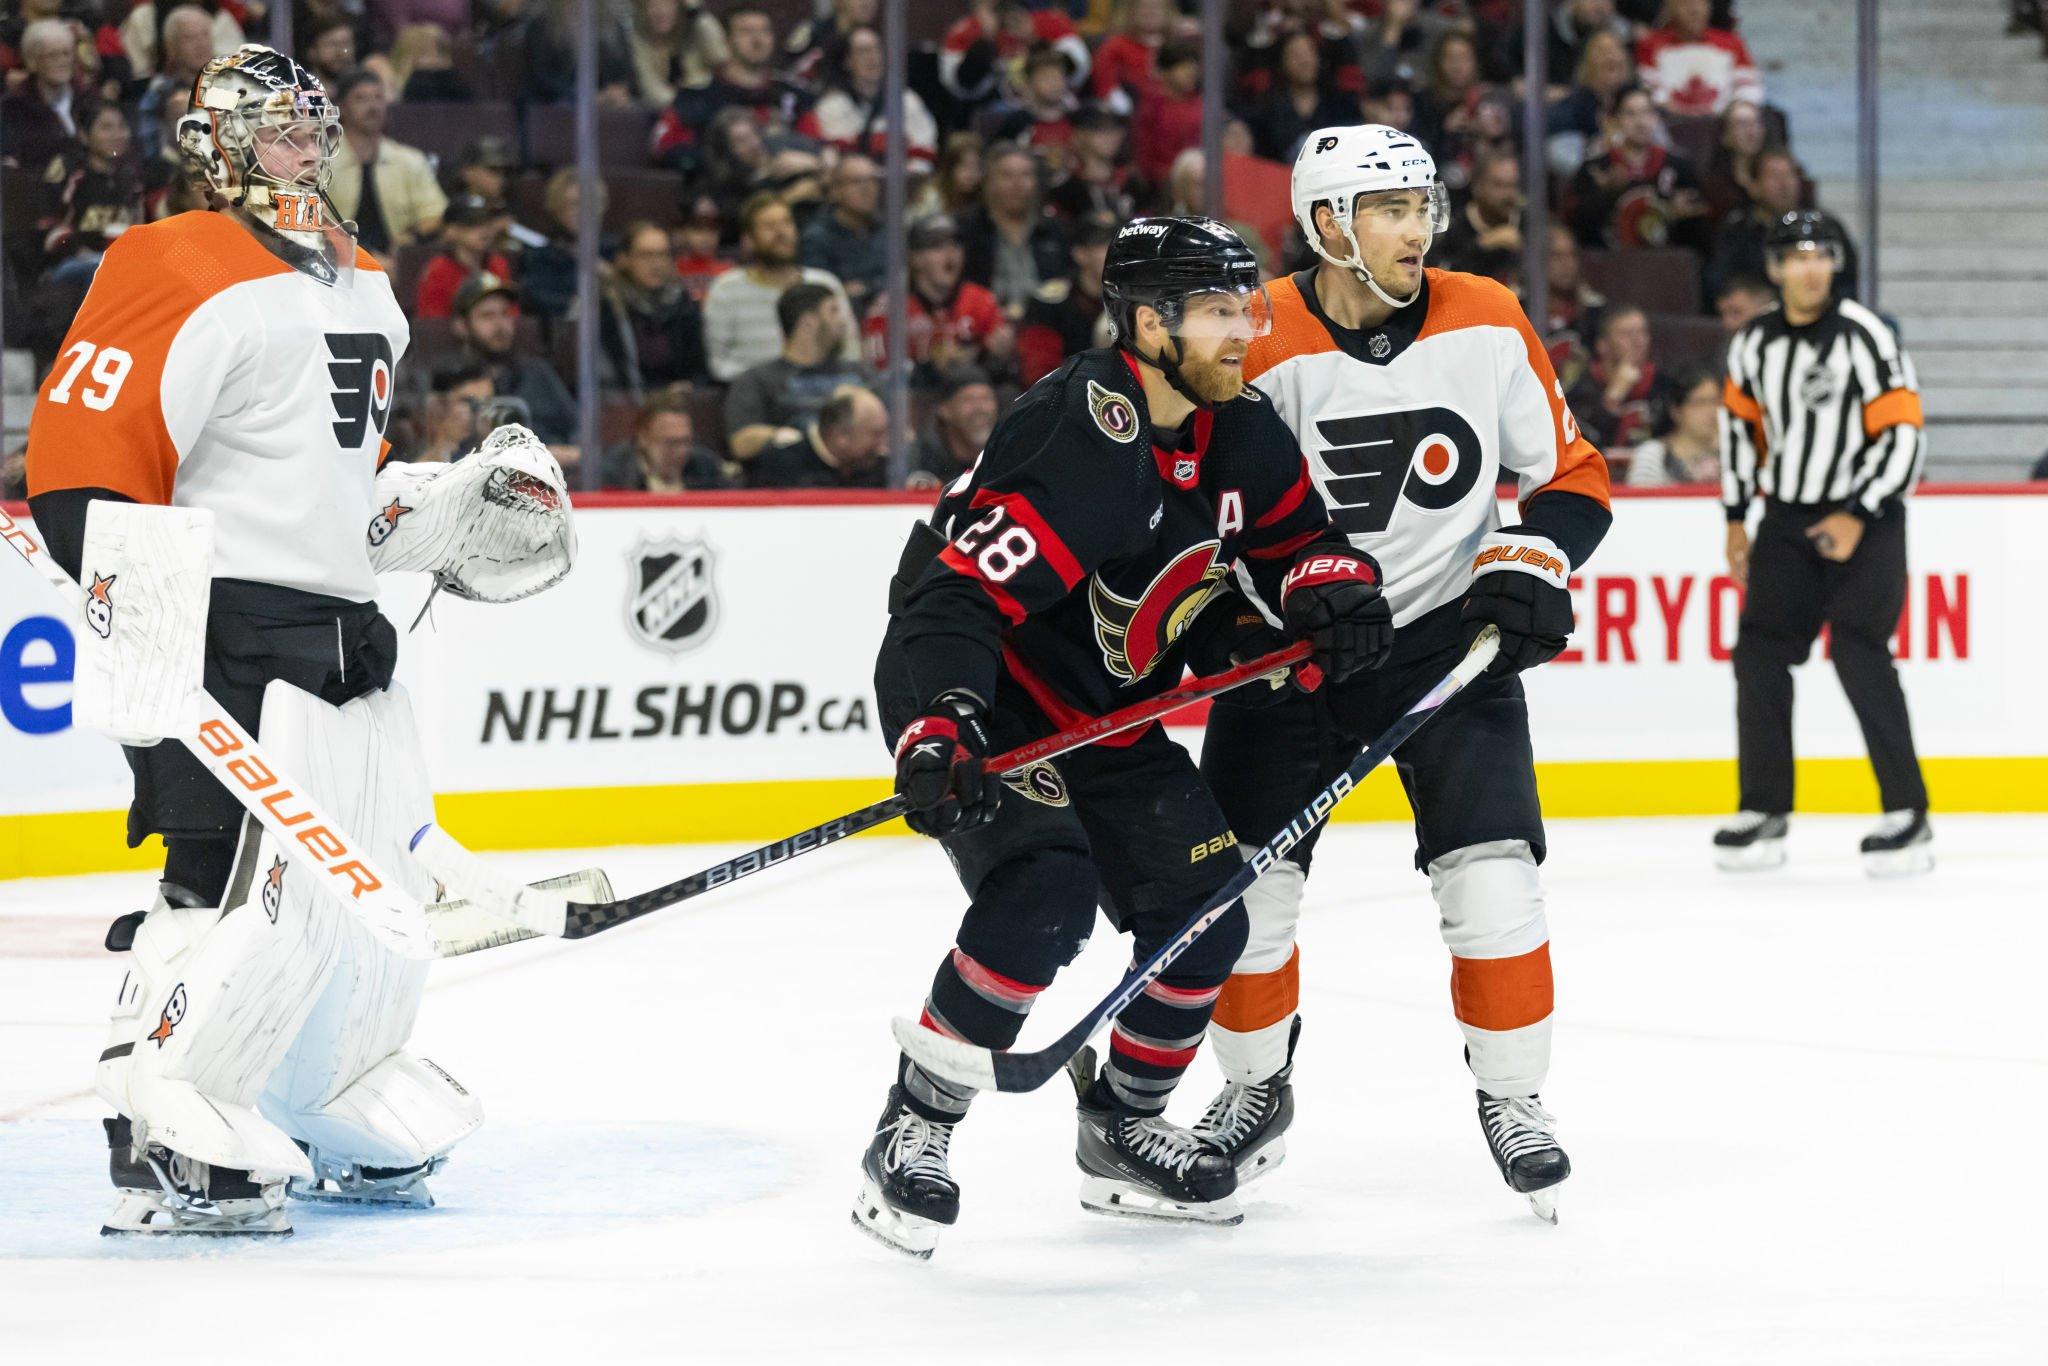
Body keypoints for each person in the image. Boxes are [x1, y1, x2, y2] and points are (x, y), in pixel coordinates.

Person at [22, 43, 571, 1239]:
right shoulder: (166, 258)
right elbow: (77, 469)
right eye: (276, 129)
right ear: (218, 147)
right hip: (220, 623)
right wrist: (153, 640)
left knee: (363, 896)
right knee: (228, 888)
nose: (304, 149)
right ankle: (164, 1113)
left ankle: (329, 1088)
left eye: (312, 128)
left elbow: (342, 485)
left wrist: (439, 511)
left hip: (342, 632)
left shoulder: (361, 276)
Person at [855, 216, 1389, 1258]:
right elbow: (950, 604)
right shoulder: (1080, 439)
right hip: (993, 697)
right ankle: (914, 1126)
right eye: (1219, 311)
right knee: (1041, 896)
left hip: (1103, 708)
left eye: (1248, 306)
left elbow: (1296, 545)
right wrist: (939, 729)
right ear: (1149, 324)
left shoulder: (1237, 426)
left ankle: (1121, 1125)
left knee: (1206, 915)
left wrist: (1332, 595)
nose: (1246, 329)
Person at [1193, 125, 1613, 1222]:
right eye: (1388, 209)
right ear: (1327, 224)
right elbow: (1206, 511)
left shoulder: (1483, 313)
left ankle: (1515, 1098)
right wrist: (1246, 617)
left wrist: (1535, 553)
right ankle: (1251, 1091)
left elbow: (1568, 472)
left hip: (1441, 645)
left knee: (1494, 882)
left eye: (1422, 206)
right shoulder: (1258, 335)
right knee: (1246, 895)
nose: (1416, 228)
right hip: (1291, 657)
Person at [1716, 211, 1932, 875]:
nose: (1811, 268)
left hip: (1867, 516)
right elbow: (1739, 433)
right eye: (1797, 256)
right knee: (1758, 653)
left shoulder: (1867, 337)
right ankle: (1765, 810)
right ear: (1776, 269)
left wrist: (1859, 512)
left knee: (1860, 650)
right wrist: (1734, 518)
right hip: (1786, 517)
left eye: (1822, 255)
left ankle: (1908, 815)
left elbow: (1905, 436)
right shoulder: (1753, 343)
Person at [701, 191, 858, 382]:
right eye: (769, 226)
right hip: (756, 396)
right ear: (749, 239)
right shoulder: (726, 289)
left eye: (786, 223)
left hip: (822, 388)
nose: (781, 232)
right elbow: (719, 363)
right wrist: (767, 380)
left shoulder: (824, 283)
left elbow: (850, 350)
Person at [860, 213, 1014, 386]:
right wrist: (930, 368)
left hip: (971, 400)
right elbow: (879, 378)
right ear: (915, 258)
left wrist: (999, 356)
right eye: (937, 246)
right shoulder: (888, 309)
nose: (950, 255)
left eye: (955, 245)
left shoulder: (982, 301)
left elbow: (1002, 372)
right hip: (913, 403)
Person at [723, 281, 867, 460]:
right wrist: (786, 436)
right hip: (793, 477)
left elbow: (898, 431)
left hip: (859, 476)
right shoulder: (757, 380)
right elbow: (740, 442)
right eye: (833, 311)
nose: (843, 321)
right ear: (808, 322)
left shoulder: (860, 372)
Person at [1565, 85, 1710, 251]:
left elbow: (1700, 234)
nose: (1641, 122)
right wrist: (1605, 194)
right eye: (1630, 114)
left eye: (1647, 113)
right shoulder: (1597, 167)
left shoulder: (1679, 166)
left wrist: (1683, 216)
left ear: (1656, 118)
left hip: (1665, 267)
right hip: (1612, 267)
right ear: (1616, 120)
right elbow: (1577, 229)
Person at [1706, 149, 1859, 302]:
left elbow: (1847, 282)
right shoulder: (1737, 230)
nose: (1784, 183)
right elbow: (1719, 283)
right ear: (1754, 186)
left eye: (1790, 175)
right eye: (1774, 176)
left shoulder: (1825, 227)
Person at [453, 271, 580, 456]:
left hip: (550, 473)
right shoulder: (448, 380)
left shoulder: (537, 372)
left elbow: (580, 433)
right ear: (462, 325)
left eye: (505, 314)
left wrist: (558, 455)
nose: (500, 325)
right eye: (487, 316)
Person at [326, 68, 447, 257]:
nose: (373, 106)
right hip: (336, 260)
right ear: (341, 107)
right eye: (361, 99)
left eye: (378, 97)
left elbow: (436, 213)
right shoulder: (320, 161)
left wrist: (410, 240)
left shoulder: (410, 159)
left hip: (396, 262)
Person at [802, 24, 938, 175]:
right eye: (863, 51)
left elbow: (924, 159)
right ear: (847, 61)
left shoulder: (907, 102)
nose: (873, 57)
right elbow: (834, 163)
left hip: (902, 191)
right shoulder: (830, 108)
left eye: (877, 49)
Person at [956, 142, 1070, 321]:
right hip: (983, 327)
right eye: (1007, 175)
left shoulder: (1054, 232)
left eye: (1025, 175)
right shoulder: (967, 230)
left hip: (1043, 329)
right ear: (989, 182)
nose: (1017, 184)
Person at [599, 220, 708, 395]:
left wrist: (689, 384)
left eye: (662, 255)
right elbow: (607, 374)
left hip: (674, 401)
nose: (656, 264)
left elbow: (698, 367)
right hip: (625, 402)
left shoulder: (681, 301)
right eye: (646, 255)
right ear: (625, 259)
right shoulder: (608, 304)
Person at [1565, 303, 1681, 456]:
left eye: (1642, 332)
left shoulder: (1664, 385)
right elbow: (1579, 444)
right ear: (1602, 345)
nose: (1637, 341)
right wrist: (1613, 397)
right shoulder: (1583, 389)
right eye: (1626, 334)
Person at [1016, 214, 1114, 387]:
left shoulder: (1138, 301)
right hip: (1067, 398)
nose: (1115, 252)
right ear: (1080, 254)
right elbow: (1039, 375)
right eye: (1103, 244)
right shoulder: (1049, 303)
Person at [1635, 0, 1763, 118]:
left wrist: (1736, 108)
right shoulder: (1650, 46)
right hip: (1669, 122)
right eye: (1686, 4)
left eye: (1700, 3)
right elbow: (1649, 90)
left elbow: (1748, 88)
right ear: (1670, 9)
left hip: (1723, 122)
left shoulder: (1732, 43)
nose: (1695, 10)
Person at [0, 17, 95, 175]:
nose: (62, 61)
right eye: (52, 55)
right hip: (36, 190)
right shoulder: (12, 107)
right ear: (32, 61)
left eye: (67, 53)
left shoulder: (88, 98)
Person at [747, 384, 888, 489]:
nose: (882, 446)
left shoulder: (882, 467)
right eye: (875, 435)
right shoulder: (782, 466)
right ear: (841, 436)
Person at [600, 387, 730, 490]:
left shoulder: (706, 469)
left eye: (686, 441)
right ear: (643, 438)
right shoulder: (614, 475)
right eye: (671, 443)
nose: (682, 451)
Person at [799, 153, 885, 308]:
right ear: (835, 191)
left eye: (873, 181)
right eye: (857, 181)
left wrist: (865, 288)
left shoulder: (889, 231)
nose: (867, 189)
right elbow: (820, 296)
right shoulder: (817, 238)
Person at [414, 192, 512, 321]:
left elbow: (511, 314)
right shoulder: (438, 271)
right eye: (472, 224)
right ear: (450, 231)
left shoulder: (499, 264)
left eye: (487, 222)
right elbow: (433, 326)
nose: (484, 230)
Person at [1625, 365, 1720, 487]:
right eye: (1700, 403)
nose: (1712, 412)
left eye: (1716, 401)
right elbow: (1641, 504)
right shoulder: (1652, 456)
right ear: (1676, 410)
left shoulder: (1734, 452)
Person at [906, 365, 997, 488]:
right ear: (945, 410)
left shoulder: (1006, 457)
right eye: (968, 400)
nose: (980, 408)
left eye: (986, 399)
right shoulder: (920, 461)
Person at [1435, 148, 1524, 274]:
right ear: (1477, 186)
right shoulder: (1452, 229)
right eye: (1499, 185)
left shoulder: (1529, 223)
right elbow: (1442, 276)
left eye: (1512, 185)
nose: (1508, 194)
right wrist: (1483, 245)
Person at [1131, 38, 1202, 187]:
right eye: (1184, 68)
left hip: (1200, 178)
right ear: (1164, 71)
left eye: (1193, 68)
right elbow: (1145, 157)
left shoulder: (1201, 104)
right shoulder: (1151, 106)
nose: (1191, 73)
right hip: (1163, 184)